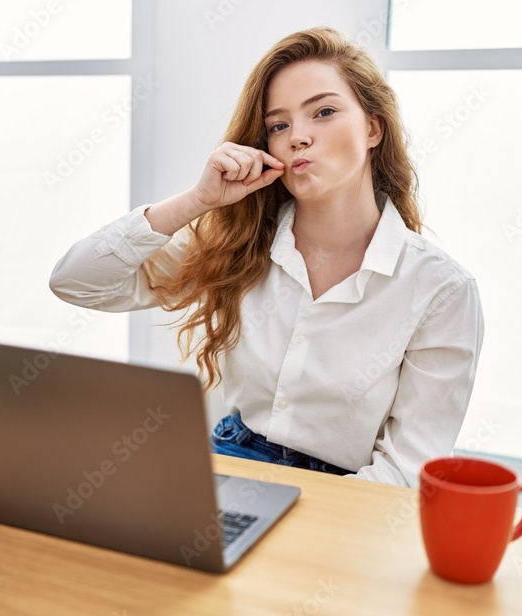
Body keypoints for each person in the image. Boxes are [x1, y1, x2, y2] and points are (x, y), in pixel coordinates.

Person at [49, 27, 484, 488]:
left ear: (373, 127)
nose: (299, 137)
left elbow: (407, 471)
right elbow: (75, 281)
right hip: (225, 466)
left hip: (349, 496)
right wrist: (197, 201)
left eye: (324, 112)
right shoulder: (238, 242)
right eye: (279, 125)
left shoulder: (440, 290)